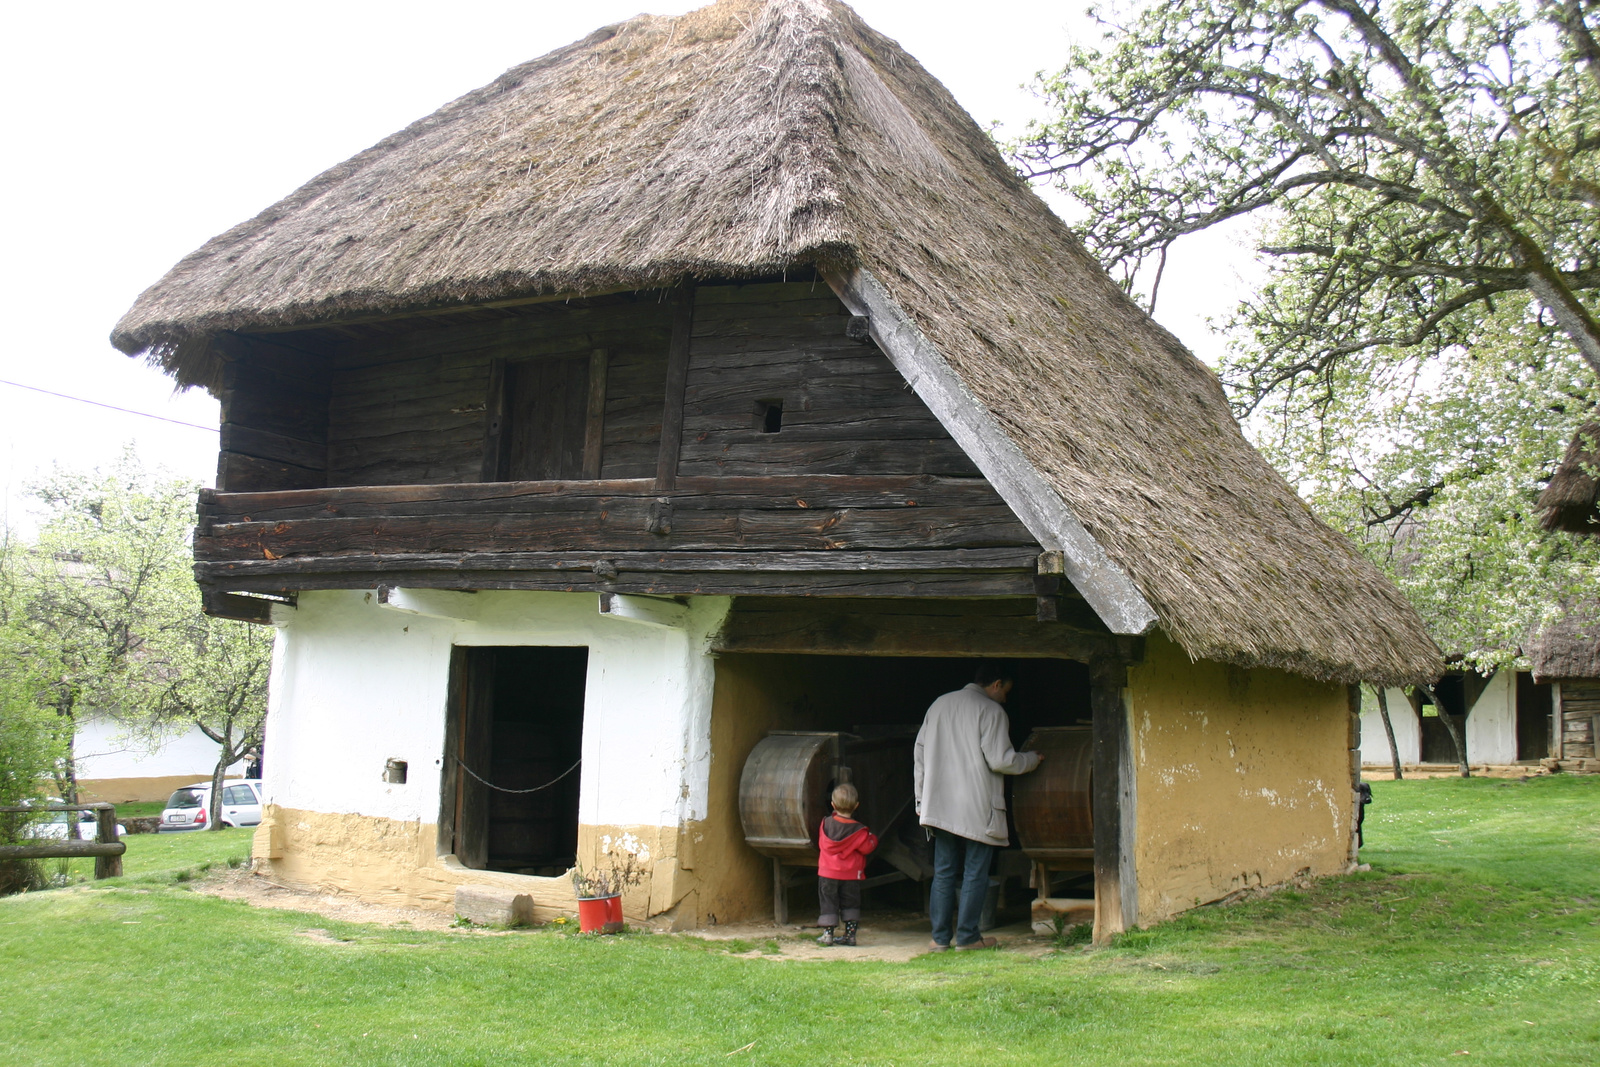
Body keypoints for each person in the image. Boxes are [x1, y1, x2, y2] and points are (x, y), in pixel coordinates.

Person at [914, 661, 1042, 951]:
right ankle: (969, 938)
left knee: (944, 871)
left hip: (940, 803)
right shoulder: (992, 711)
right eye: (1006, 691)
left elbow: (919, 755)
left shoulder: (938, 705)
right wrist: (1031, 759)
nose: (1006, 698)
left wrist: (922, 800)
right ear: (996, 684)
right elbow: (1001, 760)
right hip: (977, 805)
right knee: (975, 872)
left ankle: (940, 939)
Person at [815, 782, 878, 946]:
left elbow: (822, 844)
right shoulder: (859, 830)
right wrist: (873, 838)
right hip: (850, 875)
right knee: (850, 903)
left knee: (828, 902)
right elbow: (867, 848)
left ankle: (827, 934)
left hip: (828, 873)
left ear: (833, 804)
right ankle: (850, 935)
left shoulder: (826, 824)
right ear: (856, 806)